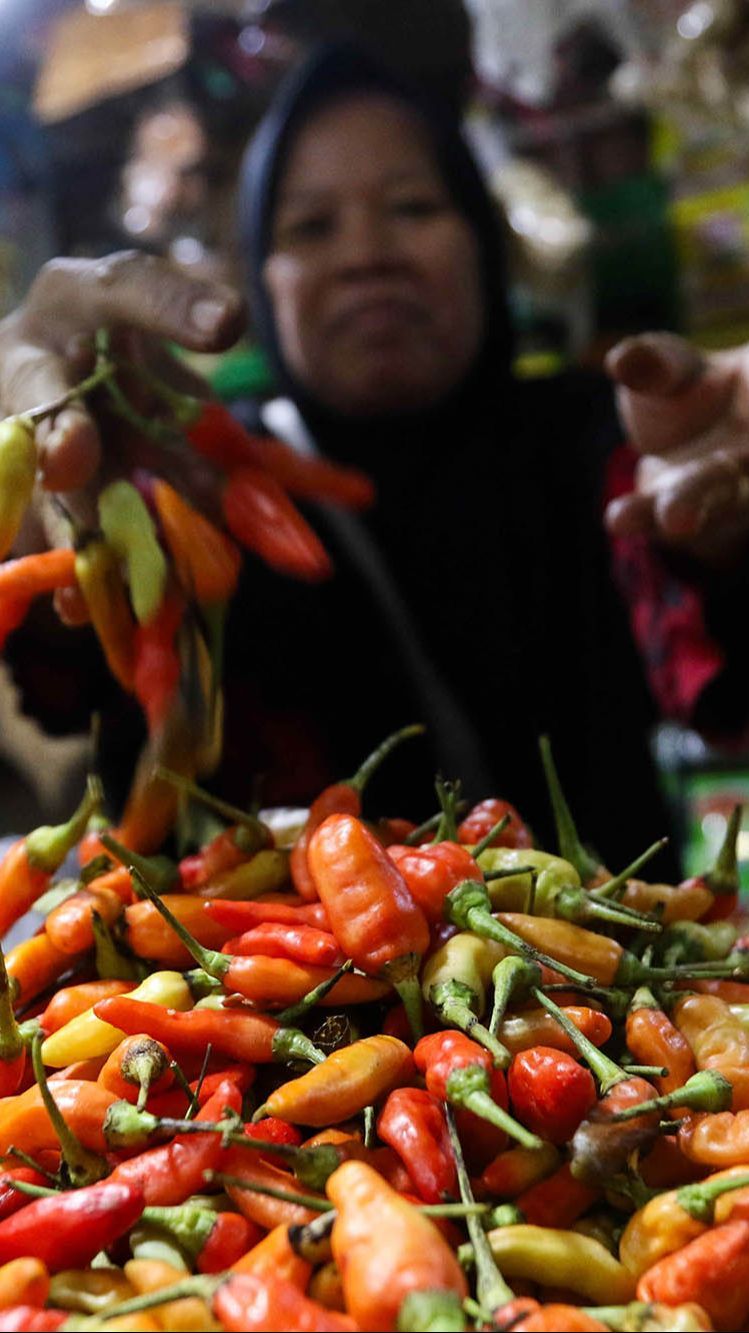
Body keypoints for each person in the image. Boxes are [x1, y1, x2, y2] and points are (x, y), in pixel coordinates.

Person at [2, 45, 749, 869]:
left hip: (610, 985)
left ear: (482, 241)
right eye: (311, 225)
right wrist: (37, 494)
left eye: (413, 206)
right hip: (225, 989)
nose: (366, 254)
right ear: (261, 273)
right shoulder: (178, 470)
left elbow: (703, 642)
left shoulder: (586, 441)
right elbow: (64, 667)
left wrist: (722, 533)